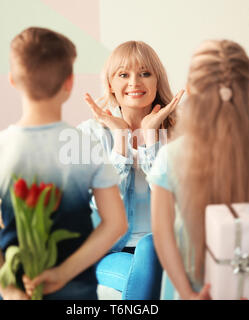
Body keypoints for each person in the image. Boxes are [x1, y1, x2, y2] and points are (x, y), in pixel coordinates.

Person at [0, 27, 127, 300]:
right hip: (77, 291)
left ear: (13, 81)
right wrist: (64, 272)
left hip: (16, 287)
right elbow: (115, 224)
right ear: (69, 82)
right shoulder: (85, 146)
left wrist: (8, 290)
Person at [147, 39, 249, 300]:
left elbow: (162, 234)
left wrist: (187, 293)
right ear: (248, 88)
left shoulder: (169, 157)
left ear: (190, 90)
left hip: (190, 290)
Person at [78, 40, 184, 299]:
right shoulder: (89, 135)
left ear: (157, 81)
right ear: (111, 84)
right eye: (123, 74)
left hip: (169, 249)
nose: (135, 82)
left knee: (151, 245)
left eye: (145, 73)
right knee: (150, 260)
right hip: (109, 253)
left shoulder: (180, 135)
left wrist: (150, 140)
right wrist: (121, 141)